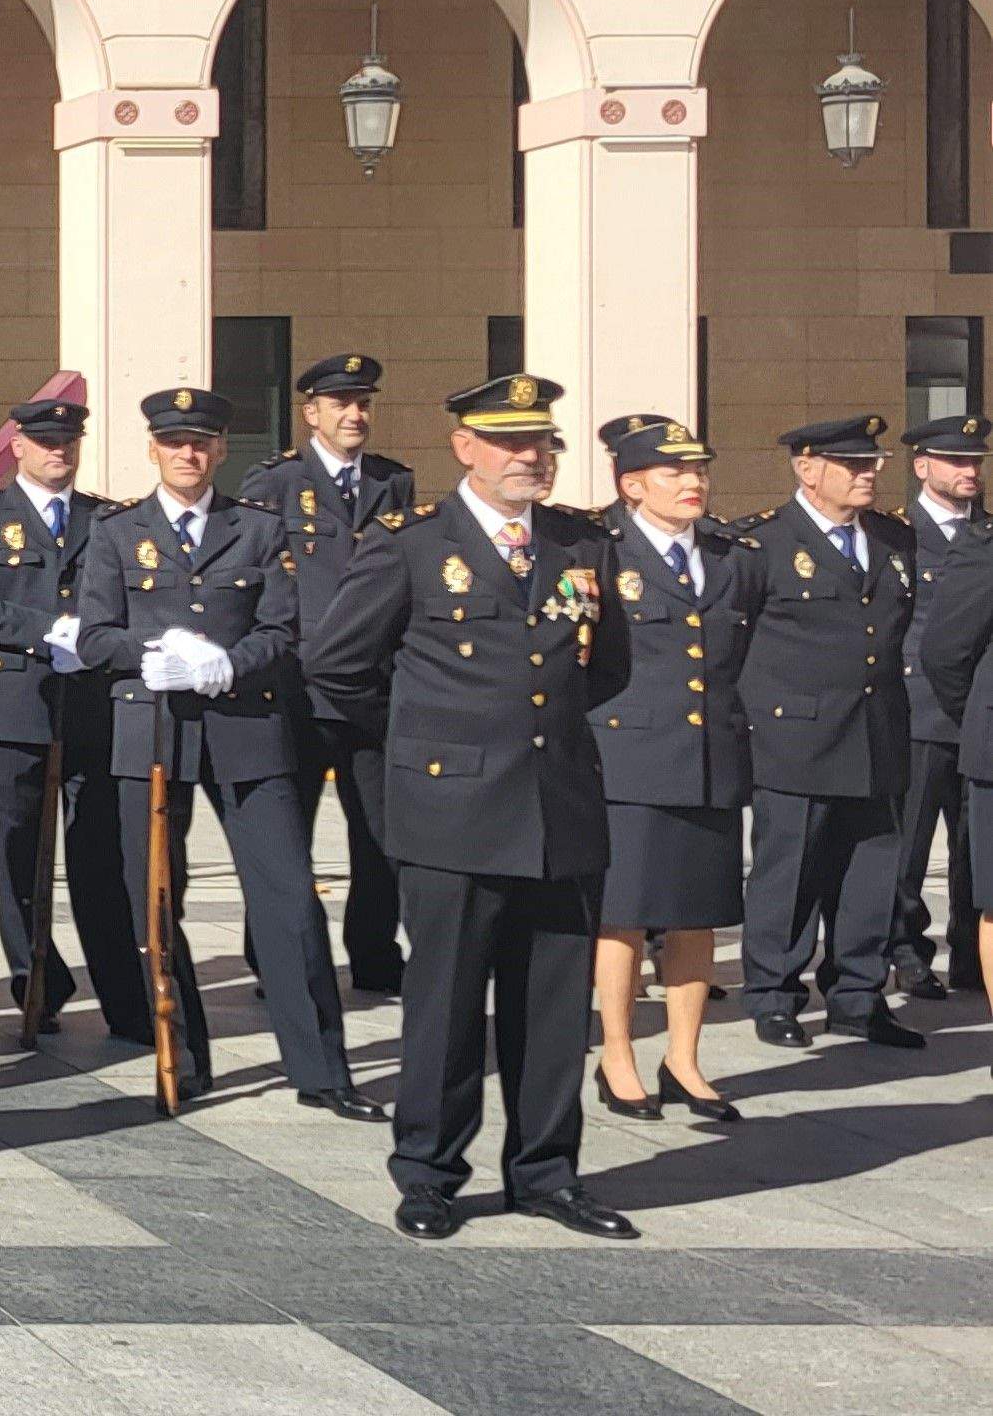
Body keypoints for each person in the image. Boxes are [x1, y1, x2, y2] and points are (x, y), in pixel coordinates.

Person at [308, 373, 638, 1242]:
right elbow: (339, 667)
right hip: (451, 815)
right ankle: (429, 1174)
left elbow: (610, 666)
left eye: (542, 443)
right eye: (510, 443)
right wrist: (426, 747)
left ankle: (546, 1173)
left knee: (553, 1011)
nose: (530, 458)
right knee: (446, 1005)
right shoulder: (411, 544)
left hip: (560, 808)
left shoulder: (583, 544)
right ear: (465, 448)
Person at [76, 388, 373, 1119]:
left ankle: (322, 1068)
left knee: (288, 898)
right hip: (151, 730)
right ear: (153, 449)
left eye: (201, 443)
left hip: (248, 727)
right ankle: (184, 1055)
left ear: (219, 452)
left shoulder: (258, 529)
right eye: (174, 441)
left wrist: (227, 663)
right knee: (154, 898)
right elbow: (92, 635)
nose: (188, 453)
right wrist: (156, 648)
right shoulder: (117, 533)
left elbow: (283, 627)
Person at [0, 396, 150, 1042]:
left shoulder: (107, 520)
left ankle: (123, 997)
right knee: (18, 856)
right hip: (15, 706)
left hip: (91, 706)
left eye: (68, 442)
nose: (58, 452)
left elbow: (128, 600)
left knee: (103, 858)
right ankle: (35, 981)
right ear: (19, 448)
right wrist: (45, 633)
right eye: (45, 442)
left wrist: (89, 637)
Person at [588, 416, 761, 1123]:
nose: (693, 484)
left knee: (698, 916)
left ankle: (684, 1058)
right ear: (632, 484)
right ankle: (618, 1053)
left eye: (699, 472)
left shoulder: (731, 554)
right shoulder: (598, 549)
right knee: (624, 915)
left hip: (710, 756)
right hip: (628, 757)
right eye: (673, 474)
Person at [734, 416, 925, 1050]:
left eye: (872, 463)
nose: (869, 473)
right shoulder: (761, 545)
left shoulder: (895, 538)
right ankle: (774, 994)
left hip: (877, 735)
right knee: (789, 874)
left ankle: (857, 995)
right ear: (807, 469)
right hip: (797, 741)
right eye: (854, 465)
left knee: (871, 875)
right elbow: (733, 647)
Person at [238, 353, 414, 996]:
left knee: (380, 833)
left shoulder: (394, 483)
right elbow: (254, 582)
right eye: (341, 403)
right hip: (299, 687)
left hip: (372, 687)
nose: (355, 414)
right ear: (311, 413)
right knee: (288, 836)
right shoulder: (274, 482)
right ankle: (277, 959)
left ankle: (373, 954)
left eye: (363, 402)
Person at [894, 414, 984, 998]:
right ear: (923, 466)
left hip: (981, 717)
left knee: (977, 850)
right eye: (956, 460)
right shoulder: (896, 535)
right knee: (909, 846)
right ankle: (906, 951)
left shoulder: (987, 534)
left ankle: (974, 958)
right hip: (921, 709)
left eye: (975, 460)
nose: (970, 470)